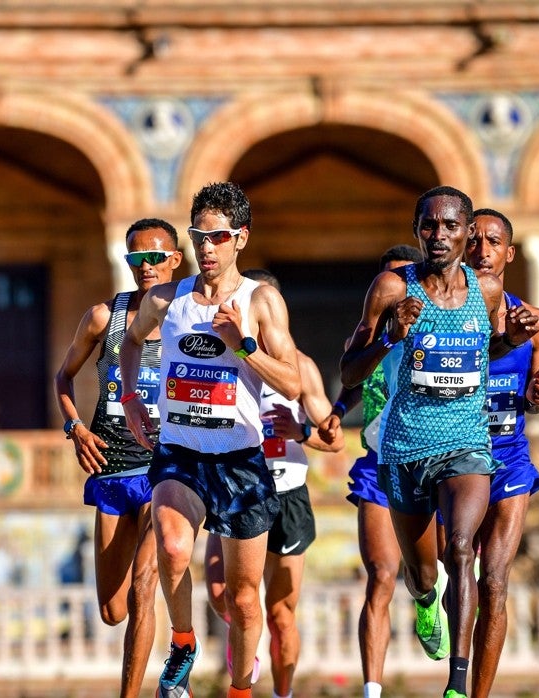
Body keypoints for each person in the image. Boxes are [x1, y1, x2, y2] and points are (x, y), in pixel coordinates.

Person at [339, 186, 537, 698]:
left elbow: (486, 352)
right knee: (423, 573)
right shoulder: (390, 288)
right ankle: (427, 601)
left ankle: (456, 682)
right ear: (416, 230)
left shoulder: (486, 291)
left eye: (451, 226)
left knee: (463, 550)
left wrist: (513, 340)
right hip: (405, 449)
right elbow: (350, 371)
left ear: (467, 232)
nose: (439, 236)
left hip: (466, 441)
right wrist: (389, 337)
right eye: (429, 226)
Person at [119, 182, 302, 698]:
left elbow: (290, 382)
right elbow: (131, 342)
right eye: (199, 235)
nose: (206, 246)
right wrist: (132, 398)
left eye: (218, 236)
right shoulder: (165, 298)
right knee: (173, 548)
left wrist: (242, 345)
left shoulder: (261, 301)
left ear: (240, 238)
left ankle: (240, 688)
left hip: (241, 459)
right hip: (180, 452)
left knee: (244, 601)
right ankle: (182, 641)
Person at [53, 218, 183, 698]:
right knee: (113, 609)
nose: (145, 267)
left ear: (175, 259)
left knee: (143, 587)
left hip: (165, 471)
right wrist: (75, 427)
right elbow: (62, 378)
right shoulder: (104, 318)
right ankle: (176, 634)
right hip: (111, 470)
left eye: (155, 257)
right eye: (136, 258)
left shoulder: (188, 319)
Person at [205, 268, 344, 698]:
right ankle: (248, 639)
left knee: (281, 613)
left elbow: (334, 439)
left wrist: (299, 432)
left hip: (287, 494)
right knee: (220, 593)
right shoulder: (219, 357)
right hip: (235, 486)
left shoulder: (299, 367)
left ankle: (283, 693)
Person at [318, 243, 424, 698]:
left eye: (406, 280)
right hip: (378, 463)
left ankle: (426, 598)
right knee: (381, 573)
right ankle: (372, 690)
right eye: (390, 282)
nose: (398, 291)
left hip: (430, 460)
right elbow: (356, 381)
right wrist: (338, 409)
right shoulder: (367, 339)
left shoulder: (439, 330)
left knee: (431, 573)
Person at [463, 208, 539, 698]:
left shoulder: (535, 322)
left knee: (494, 581)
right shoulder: (444, 314)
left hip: (509, 458)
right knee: (451, 570)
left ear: (509, 253)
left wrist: (536, 399)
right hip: (452, 459)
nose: (482, 250)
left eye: (493, 242)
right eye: (473, 240)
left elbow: (533, 396)